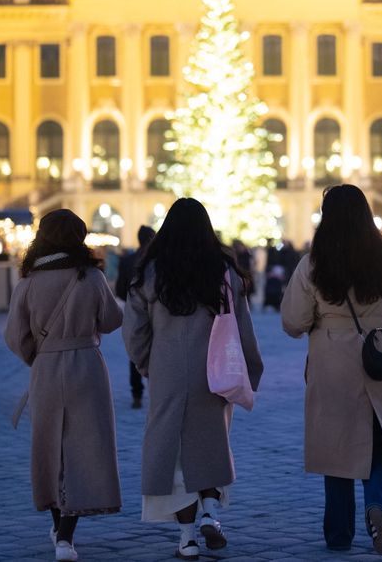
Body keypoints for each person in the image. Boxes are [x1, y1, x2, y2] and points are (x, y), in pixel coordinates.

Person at [280, 185, 382, 555]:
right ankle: (379, 508)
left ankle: (339, 533)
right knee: (378, 441)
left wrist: (320, 318)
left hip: (330, 361)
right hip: (375, 356)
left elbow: (293, 321)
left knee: (335, 447)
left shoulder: (314, 264)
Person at [123, 198, 264, 561]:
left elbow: (134, 330)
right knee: (210, 442)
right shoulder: (223, 270)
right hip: (213, 369)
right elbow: (241, 324)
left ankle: (186, 538)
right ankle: (211, 514)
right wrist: (250, 368)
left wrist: (146, 363)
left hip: (167, 369)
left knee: (172, 455)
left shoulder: (151, 272)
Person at [5, 209, 122, 562]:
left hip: (46, 367)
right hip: (86, 366)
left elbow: (14, 336)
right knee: (83, 449)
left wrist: (39, 355)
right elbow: (112, 319)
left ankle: (58, 530)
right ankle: (66, 538)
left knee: (50, 449)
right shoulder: (92, 277)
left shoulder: (28, 282)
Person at [115, 225, 156, 410]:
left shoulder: (127, 260)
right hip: (157, 314)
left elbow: (119, 289)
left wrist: (132, 301)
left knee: (136, 348)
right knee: (158, 351)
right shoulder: (158, 261)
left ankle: (137, 393)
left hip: (134, 311)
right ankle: (156, 389)